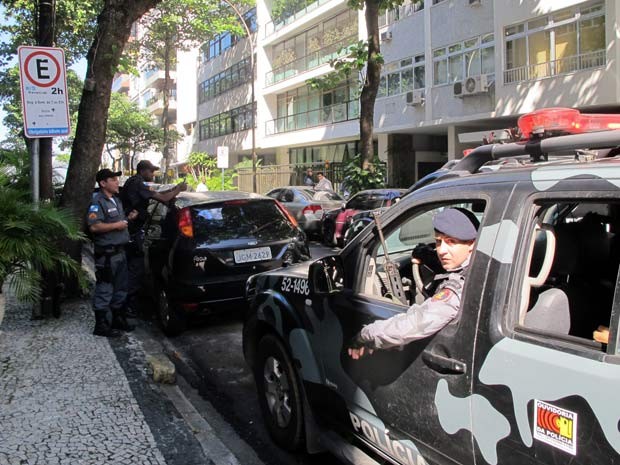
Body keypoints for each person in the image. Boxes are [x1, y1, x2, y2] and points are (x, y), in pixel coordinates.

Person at [348, 208, 479, 359]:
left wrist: (364, 336)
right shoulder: (480, 263)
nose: (441, 250)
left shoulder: (457, 288)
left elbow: (414, 324)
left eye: (451, 242)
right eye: (438, 241)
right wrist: (424, 253)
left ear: (471, 244)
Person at [120, 160, 187, 316]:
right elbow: (163, 199)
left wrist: (173, 189)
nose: (152, 174)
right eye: (151, 171)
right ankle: (128, 305)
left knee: (135, 268)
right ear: (143, 171)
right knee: (136, 269)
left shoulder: (136, 183)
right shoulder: (137, 183)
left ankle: (128, 303)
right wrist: (178, 189)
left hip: (133, 231)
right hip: (132, 232)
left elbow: (160, 195)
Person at [87, 169, 137, 337]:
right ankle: (101, 325)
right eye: (113, 179)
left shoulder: (116, 200)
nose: (117, 182)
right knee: (105, 288)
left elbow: (119, 223)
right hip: (107, 255)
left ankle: (116, 319)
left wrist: (128, 219)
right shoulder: (97, 202)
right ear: (103, 183)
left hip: (120, 252)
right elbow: (94, 226)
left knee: (121, 288)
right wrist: (117, 226)